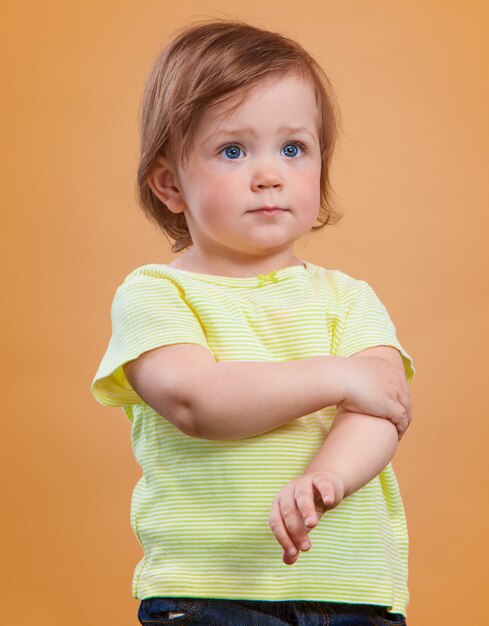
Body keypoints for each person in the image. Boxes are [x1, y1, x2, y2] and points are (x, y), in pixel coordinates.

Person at [91, 19, 415, 626]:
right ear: (169, 184)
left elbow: (383, 406)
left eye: (293, 149)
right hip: (209, 591)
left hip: (351, 590)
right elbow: (197, 401)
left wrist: (325, 479)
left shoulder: (348, 299)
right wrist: (339, 376)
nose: (269, 174)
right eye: (233, 150)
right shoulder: (157, 295)